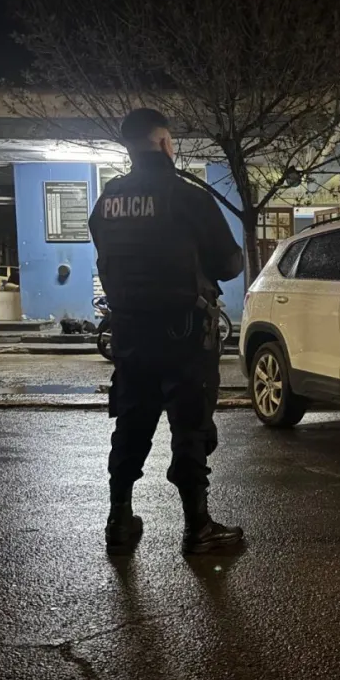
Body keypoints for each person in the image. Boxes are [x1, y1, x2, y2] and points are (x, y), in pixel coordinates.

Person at [89, 108, 244, 555]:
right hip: (185, 335)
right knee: (190, 429)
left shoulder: (110, 199)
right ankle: (198, 528)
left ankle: (119, 519)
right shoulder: (187, 196)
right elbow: (230, 263)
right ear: (163, 143)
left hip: (131, 335)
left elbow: (104, 250)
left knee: (133, 425)